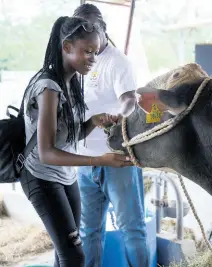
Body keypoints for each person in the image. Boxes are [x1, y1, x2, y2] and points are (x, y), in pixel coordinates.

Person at [20, 16, 133, 267]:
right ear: (67, 47)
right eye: (87, 52)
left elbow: (68, 137)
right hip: (41, 177)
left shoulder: (71, 82)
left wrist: (93, 121)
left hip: (65, 177)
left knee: (67, 254)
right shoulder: (48, 87)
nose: (92, 58)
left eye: (95, 52)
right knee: (74, 256)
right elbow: (47, 152)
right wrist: (99, 160)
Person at [73, 4, 149, 267]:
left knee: (132, 229)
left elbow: (130, 98)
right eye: (80, 33)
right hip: (85, 162)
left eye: (91, 30)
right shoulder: (78, 62)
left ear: (102, 28)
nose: (87, 37)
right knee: (88, 232)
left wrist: (120, 114)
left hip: (117, 160)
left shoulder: (118, 62)